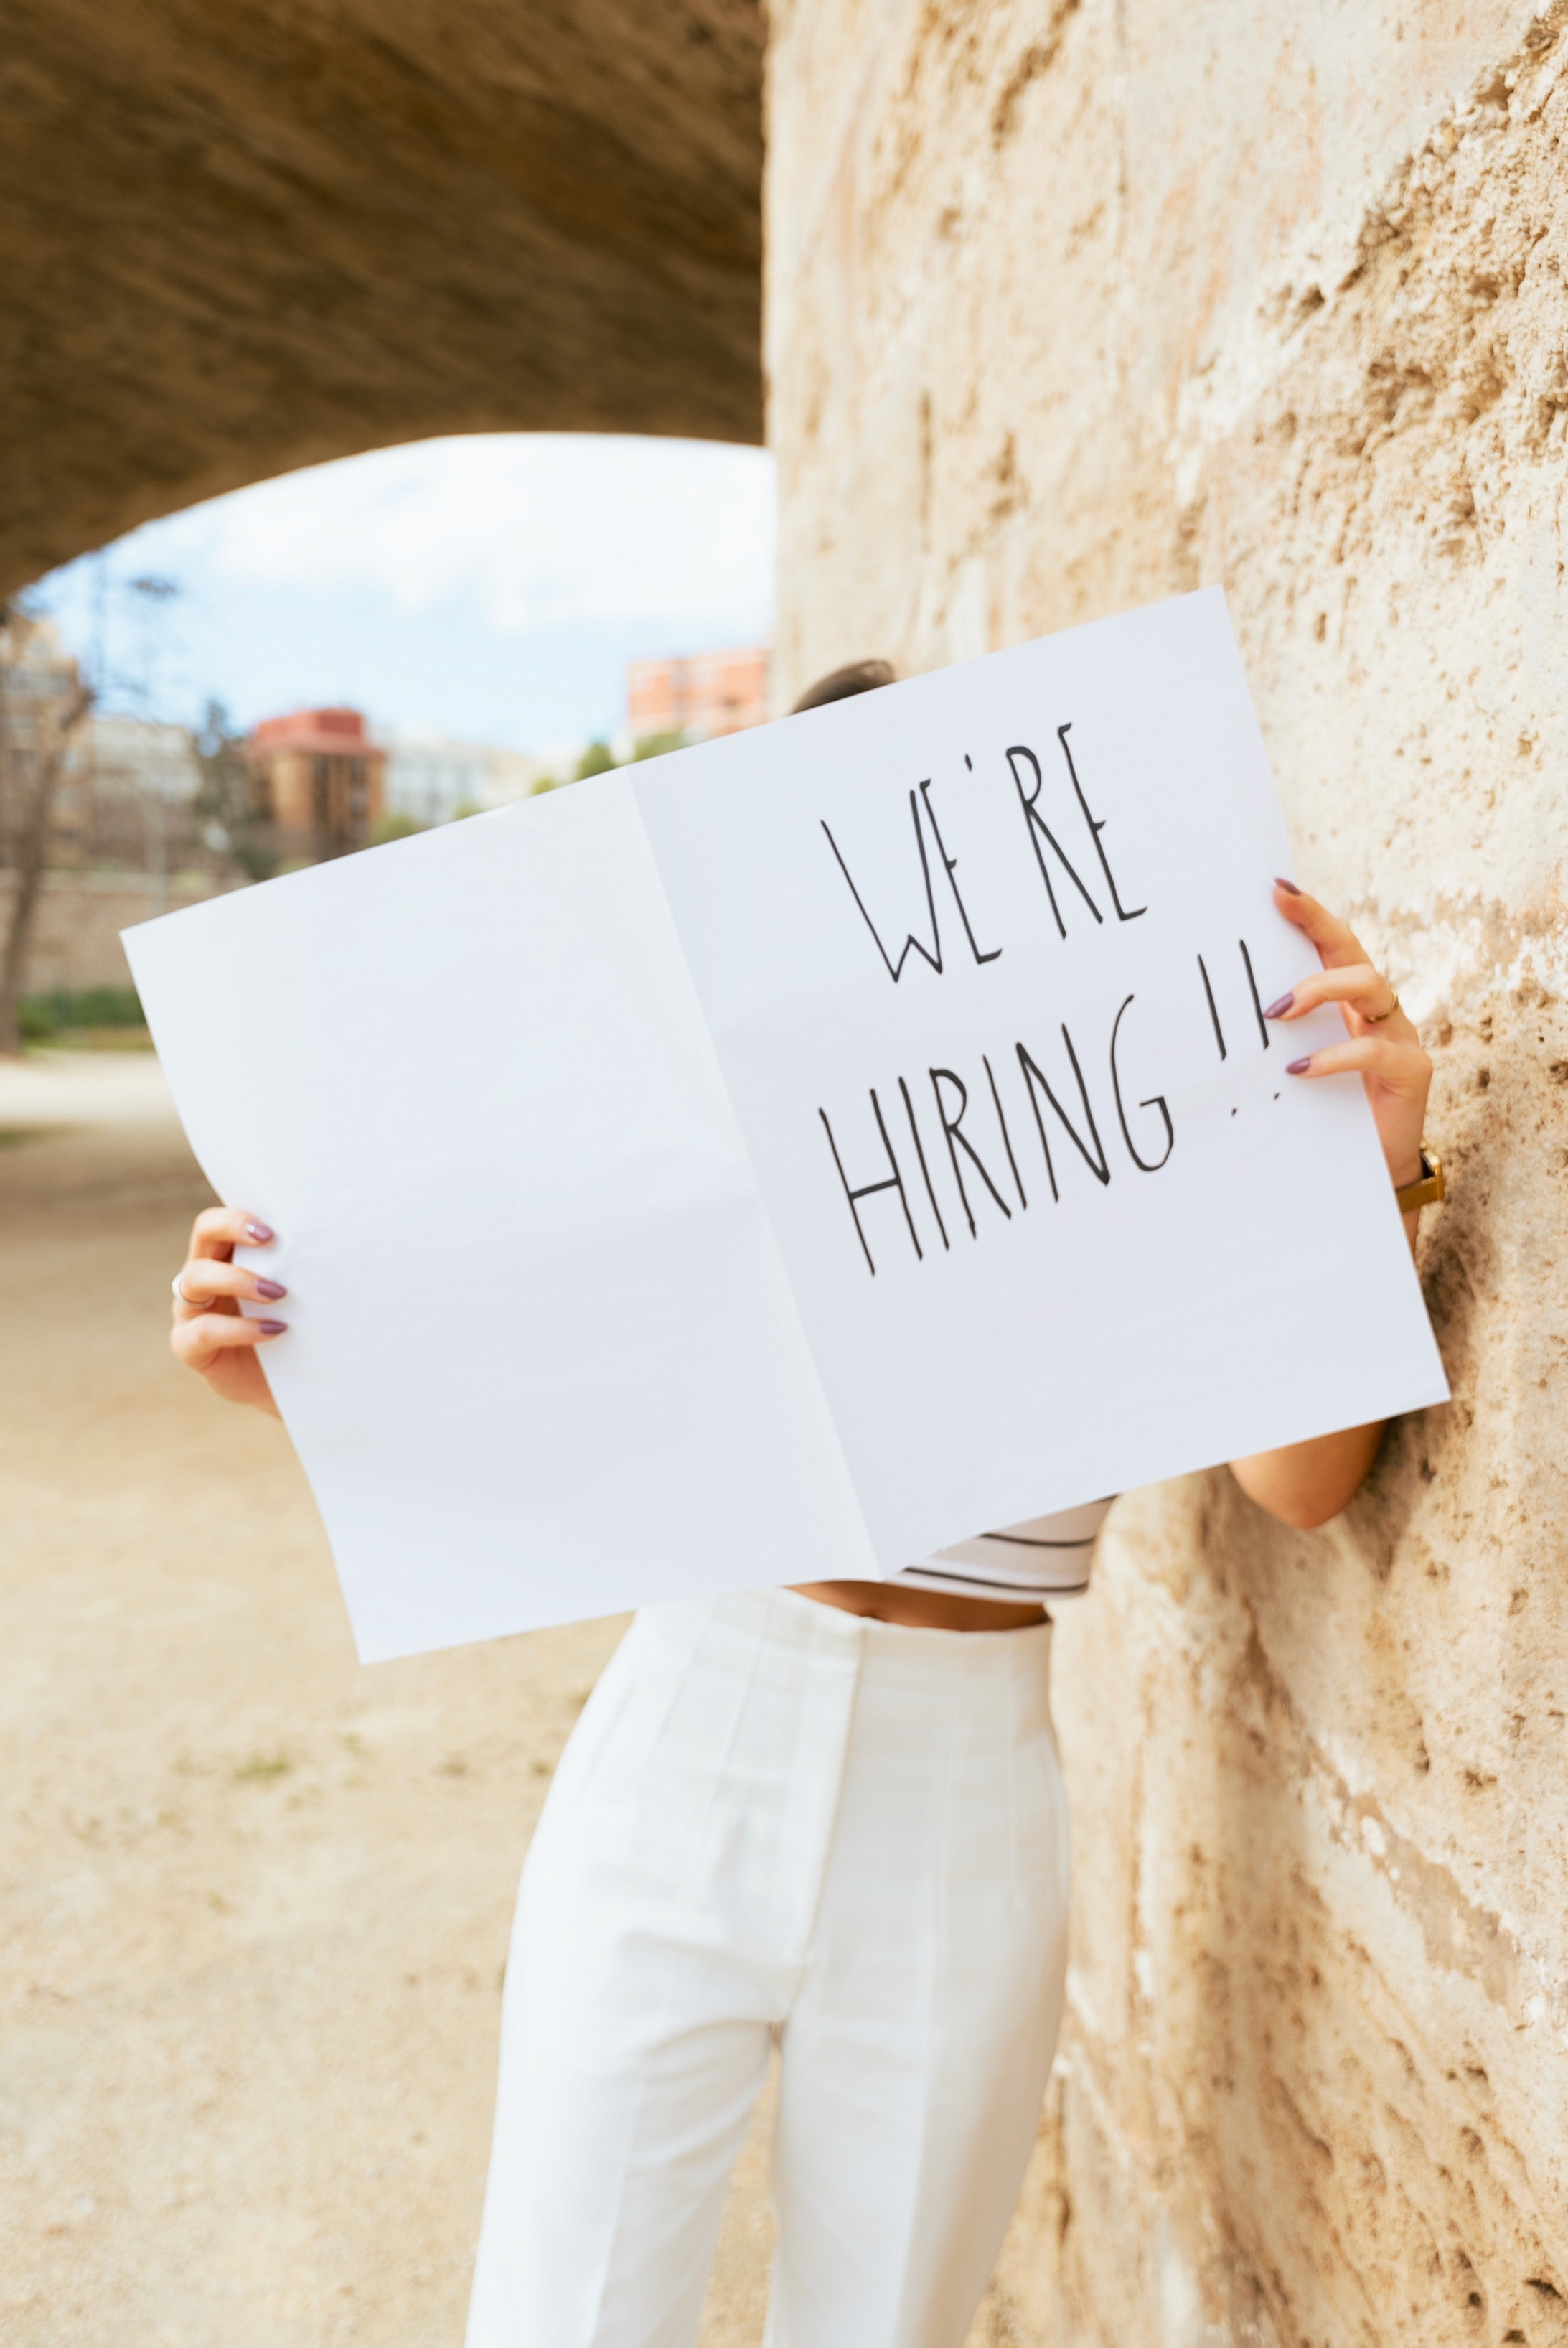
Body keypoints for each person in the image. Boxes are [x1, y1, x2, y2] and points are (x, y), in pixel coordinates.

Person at [169, 657, 1441, 2348]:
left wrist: (1372, 1178)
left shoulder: (1128, 1107)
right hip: (692, 1720)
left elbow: (1299, 1487)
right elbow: (523, 1389)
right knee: (563, 2316)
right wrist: (304, 1376)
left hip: (969, 1782)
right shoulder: (688, 1148)